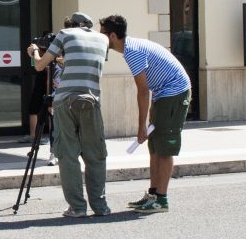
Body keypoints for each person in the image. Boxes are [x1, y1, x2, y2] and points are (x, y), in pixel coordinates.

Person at [100, 14, 191, 213]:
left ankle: (162, 199)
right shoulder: (130, 48)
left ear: (113, 36)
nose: (100, 38)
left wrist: (141, 126)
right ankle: (153, 194)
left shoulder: (132, 52)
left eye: (102, 34)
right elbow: (148, 90)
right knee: (155, 144)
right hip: (163, 93)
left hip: (174, 92)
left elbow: (142, 90)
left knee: (165, 145)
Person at [27, 12, 111, 218]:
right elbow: (86, 63)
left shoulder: (64, 34)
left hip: (66, 100)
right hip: (92, 100)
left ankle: (77, 207)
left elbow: (39, 66)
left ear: (71, 25)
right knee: (96, 154)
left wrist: (35, 52)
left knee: (68, 154)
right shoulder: (103, 39)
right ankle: (100, 207)